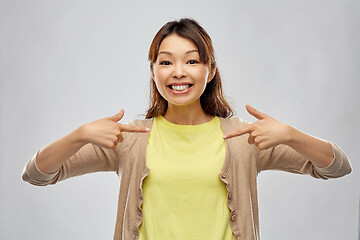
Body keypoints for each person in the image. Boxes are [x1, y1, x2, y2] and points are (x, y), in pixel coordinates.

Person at [22, 18, 352, 240]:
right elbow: (38, 174)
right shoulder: (130, 140)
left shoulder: (242, 139)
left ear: (210, 71)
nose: (178, 72)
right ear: (153, 71)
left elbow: (337, 167)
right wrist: (79, 134)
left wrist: (291, 135)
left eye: (192, 60)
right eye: (166, 62)